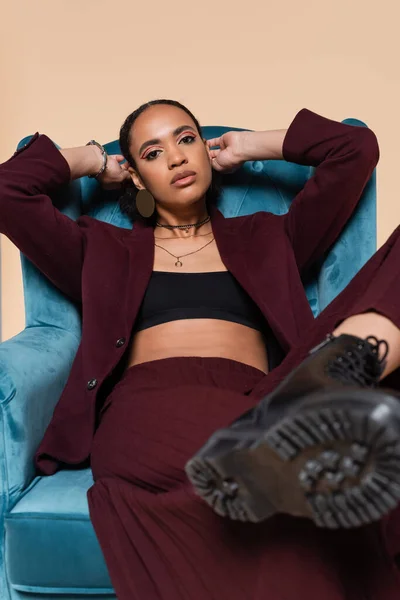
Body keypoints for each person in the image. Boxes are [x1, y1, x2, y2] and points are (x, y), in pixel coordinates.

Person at [2, 98, 400, 599]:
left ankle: (345, 368)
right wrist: (94, 160)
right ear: (138, 179)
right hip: (149, 407)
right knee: (302, 528)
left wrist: (249, 146)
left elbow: (356, 149)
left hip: (262, 400)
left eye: (186, 139)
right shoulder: (101, 248)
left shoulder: (269, 237)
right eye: (152, 151)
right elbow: (6, 191)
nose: (175, 156)